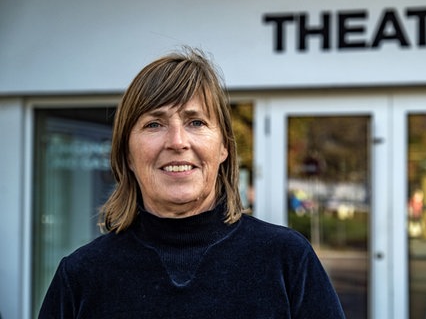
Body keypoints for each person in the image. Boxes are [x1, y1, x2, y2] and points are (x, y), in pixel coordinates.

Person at [39, 47, 346, 318]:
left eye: (195, 122)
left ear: (223, 147)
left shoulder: (286, 260)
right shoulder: (81, 276)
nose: (177, 141)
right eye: (154, 124)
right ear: (128, 154)